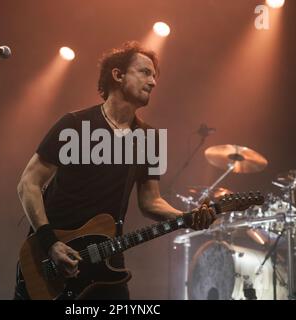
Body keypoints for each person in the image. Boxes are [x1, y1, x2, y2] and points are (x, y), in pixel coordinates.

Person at [14, 41, 216, 300]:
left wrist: (185, 216)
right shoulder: (75, 124)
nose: (153, 82)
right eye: (144, 72)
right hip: (50, 256)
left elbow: (150, 200)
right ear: (118, 75)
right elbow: (28, 184)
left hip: (105, 258)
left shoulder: (149, 138)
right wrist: (50, 242)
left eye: (154, 76)